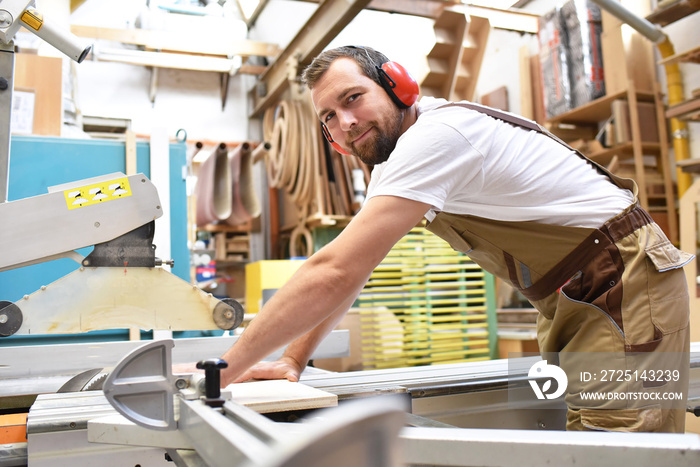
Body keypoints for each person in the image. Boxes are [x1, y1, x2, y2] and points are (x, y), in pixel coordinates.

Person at [214, 45, 693, 433]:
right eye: (329, 117)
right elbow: (355, 271)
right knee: (592, 441)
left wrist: (223, 371)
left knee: (623, 445)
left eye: (353, 98)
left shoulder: (437, 137)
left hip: (622, 279)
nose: (345, 123)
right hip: (577, 293)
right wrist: (293, 360)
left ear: (396, 84)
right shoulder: (401, 160)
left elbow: (333, 270)